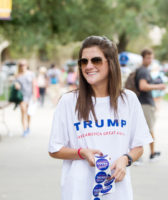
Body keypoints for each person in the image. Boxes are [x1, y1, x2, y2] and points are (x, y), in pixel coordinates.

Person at [48, 36, 153, 200]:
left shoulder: (128, 100)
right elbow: (55, 149)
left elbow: (139, 147)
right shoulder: (68, 102)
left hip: (118, 192)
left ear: (110, 63)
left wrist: (125, 160)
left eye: (96, 60)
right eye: (84, 62)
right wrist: (82, 153)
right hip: (78, 192)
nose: (88, 66)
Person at [134, 48, 166, 161]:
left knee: (147, 129)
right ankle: (143, 155)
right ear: (143, 58)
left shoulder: (143, 70)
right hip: (145, 104)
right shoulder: (143, 71)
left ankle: (150, 153)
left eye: (151, 57)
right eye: (148, 57)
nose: (150, 60)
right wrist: (159, 86)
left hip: (145, 103)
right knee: (148, 130)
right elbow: (143, 86)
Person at [14, 60, 36, 137]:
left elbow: (34, 85)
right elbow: (15, 83)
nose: (22, 66)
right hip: (22, 96)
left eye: (23, 65)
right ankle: (24, 129)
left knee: (29, 113)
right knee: (23, 111)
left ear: (26, 65)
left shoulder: (31, 74)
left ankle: (28, 126)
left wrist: (34, 96)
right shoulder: (17, 75)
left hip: (30, 96)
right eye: (20, 65)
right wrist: (16, 85)